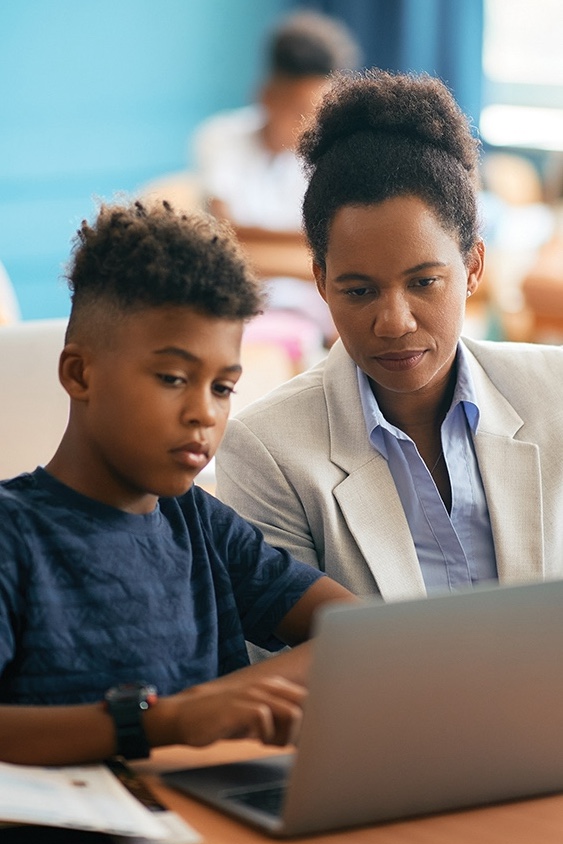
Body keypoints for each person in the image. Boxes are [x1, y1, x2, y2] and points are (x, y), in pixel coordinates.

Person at [0, 199, 353, 766]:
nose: (203, 414)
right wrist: (165, 721)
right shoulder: (14, 536)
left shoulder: (199, 523)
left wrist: (219, 701)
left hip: (215, 822)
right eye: (173, 378)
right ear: (79, 373)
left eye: (222, 387)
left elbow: (355, 629)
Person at [215, 69, 563, 601]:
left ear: (472, 268)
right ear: (322, 282)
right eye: (359, 291)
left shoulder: (554, 394)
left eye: (424, 282)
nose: (394, 322)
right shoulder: (268, 451)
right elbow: (281, 664)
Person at [191, 10, 362, 356]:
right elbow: (226, 234)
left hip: (309, 296)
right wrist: (310, 247)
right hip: (237, 287)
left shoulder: (326, 154)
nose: (309, 123)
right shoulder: (221, 138)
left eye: (320, 110)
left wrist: (259, 247)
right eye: (299, 109)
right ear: (266, 95)